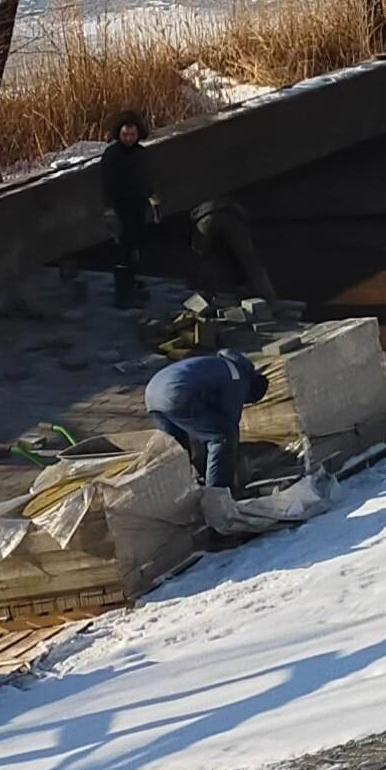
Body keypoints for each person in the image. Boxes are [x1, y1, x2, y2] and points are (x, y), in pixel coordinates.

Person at [143, 347, 270, 491]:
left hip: (153, 395)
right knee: (224, 435)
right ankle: (218, 494)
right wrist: (232, 463)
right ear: (251, 389)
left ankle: (175, 491)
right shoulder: (238, 378)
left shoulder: (218, 365)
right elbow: (229, 424)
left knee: (176, 449)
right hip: (177, 394)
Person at [100, 111, 152, 307]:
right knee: (123, 249)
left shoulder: (141, 153)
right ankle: (123, 295)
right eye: (125, 135)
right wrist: (109, 209)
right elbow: (107, 183)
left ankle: (132, 286)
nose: (129, 139)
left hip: (138, 206)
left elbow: (146, 179)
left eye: (132, 135)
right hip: (120, 208)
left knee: (137, 248)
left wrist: (151, 197)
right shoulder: (112, 155)